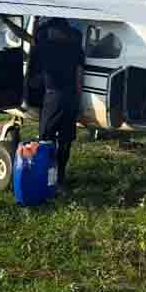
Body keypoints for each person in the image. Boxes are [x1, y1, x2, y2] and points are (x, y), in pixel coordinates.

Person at [31, 17, 84, 186]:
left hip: (53, 98)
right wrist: (78, 99)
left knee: (46, 136)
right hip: (71, 97)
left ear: (56, 31)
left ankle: (46, 175)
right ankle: (60, 176)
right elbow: (79, 77)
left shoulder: (46, 47)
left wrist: (35, 22)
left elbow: (32, 40)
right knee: (66, 139)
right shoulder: (77, 49)